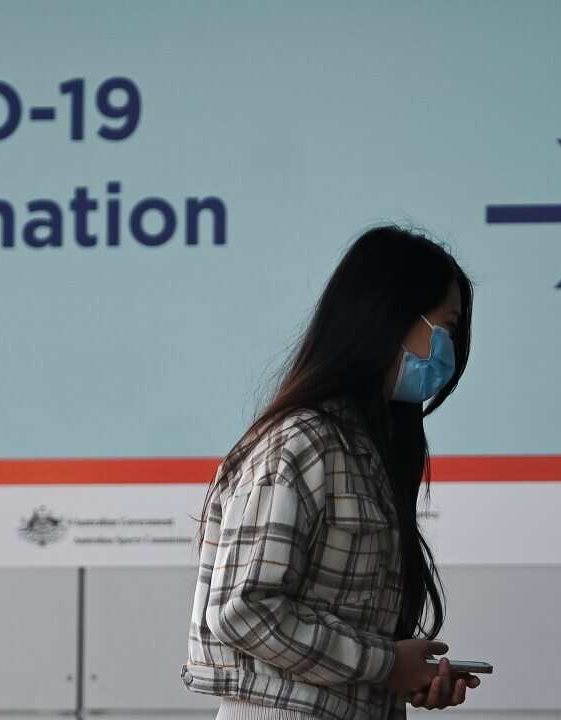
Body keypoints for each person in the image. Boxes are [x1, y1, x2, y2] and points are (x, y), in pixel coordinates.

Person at [180, 224, 480, 719]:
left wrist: (405, 676)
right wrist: (386, 664)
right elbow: (243, 611)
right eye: (445, 326)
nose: (449, 346)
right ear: (391, 315)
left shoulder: (363, 449)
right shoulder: (301, 443)